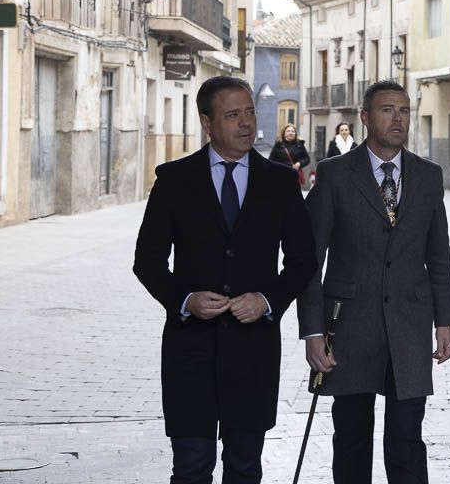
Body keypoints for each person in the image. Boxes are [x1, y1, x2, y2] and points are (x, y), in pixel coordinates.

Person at [132, 76, 316, 484]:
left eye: (249, 112)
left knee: (245, 466)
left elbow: (304, 260)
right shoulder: (174, 181)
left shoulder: (281, 182)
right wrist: (185, 300)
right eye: (232, 115)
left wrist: (268, 300)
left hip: (254, 353)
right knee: (193, 466)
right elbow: (147, 261)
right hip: (189, 352)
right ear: (207, 123)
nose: (246, 123)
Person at [297, 80, 450, 484]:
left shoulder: (428, 176)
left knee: (407, 438)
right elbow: (309, 261)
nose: (397, 118)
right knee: (351, 438)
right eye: (387, 110)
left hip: (409, 325)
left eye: (404, 110)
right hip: (349, 327)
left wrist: (445, 322)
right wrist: (313, 331)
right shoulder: (333, 175)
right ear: (365, 118)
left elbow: (438, 255)